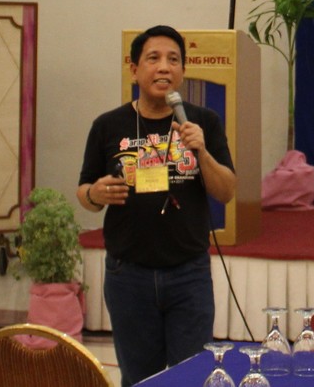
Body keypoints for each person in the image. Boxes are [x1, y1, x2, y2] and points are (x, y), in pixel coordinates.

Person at [77, 25, 236, 387]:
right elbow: (84, 191)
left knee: (192, 378)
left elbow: (226, 191)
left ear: (183, 70)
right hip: (128, 276)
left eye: (173, 60)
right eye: (153, 58)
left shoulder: (202, 122)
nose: (164, 67)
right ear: (134, 69)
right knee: (139, 379)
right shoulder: (107, 125)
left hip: (189, 274)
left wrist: (201, 151)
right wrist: (95, 194)